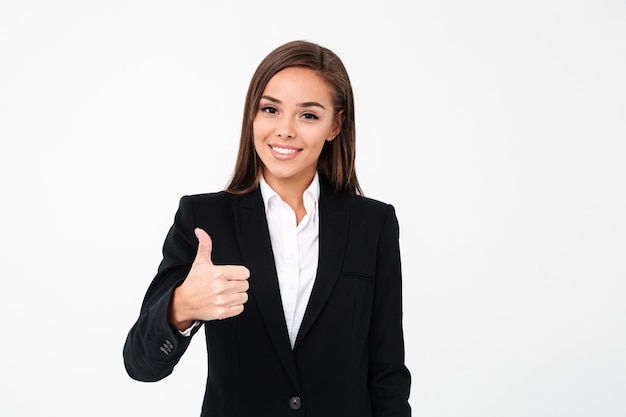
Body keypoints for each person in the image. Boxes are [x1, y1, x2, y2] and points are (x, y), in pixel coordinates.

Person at [123, 39, 412, 417]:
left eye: (308, 115)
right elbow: (140, 364)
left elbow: (387, 373)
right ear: (252, 116)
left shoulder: (373, 225)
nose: (285, 130)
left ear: (335, 124)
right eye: (271, 109)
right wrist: (181, 307)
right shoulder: (203, 220)